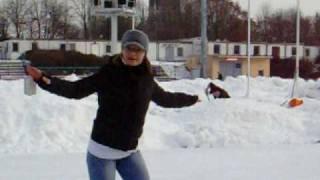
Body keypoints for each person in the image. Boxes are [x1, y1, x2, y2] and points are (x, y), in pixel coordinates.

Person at [26, 30, 199, 180]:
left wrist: (191, 99)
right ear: (122, 49)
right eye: (129, 48)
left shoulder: (146, 79)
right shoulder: (108, 73)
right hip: (102, 152)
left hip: (129, 152)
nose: (133, 54)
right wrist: (43, 79)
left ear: (145, 52)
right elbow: (75, 90)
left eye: (138, 50)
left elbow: (165, 99)